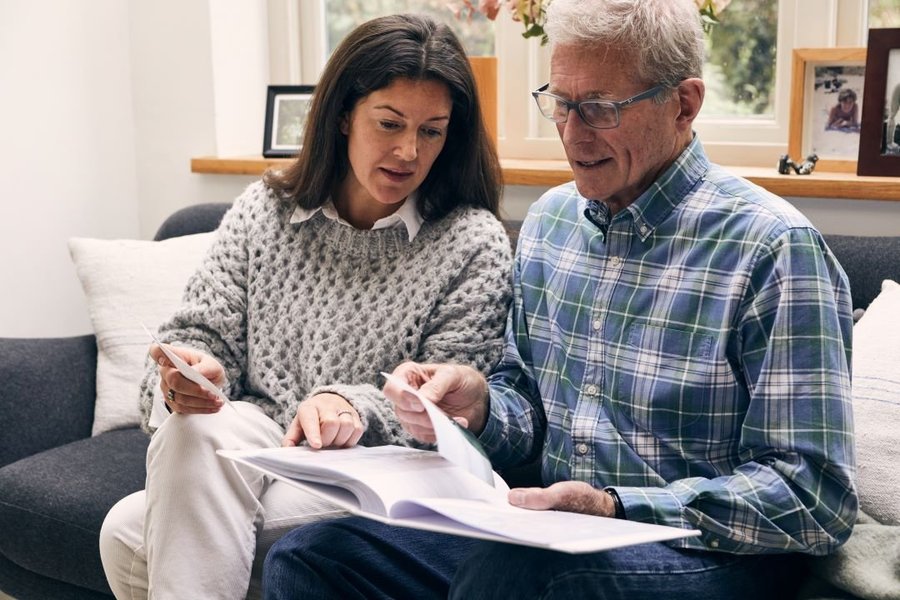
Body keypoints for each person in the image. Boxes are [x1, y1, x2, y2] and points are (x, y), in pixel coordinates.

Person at [262, 1, 857, 599]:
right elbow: (529, 411)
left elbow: (815, 495)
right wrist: (481, 408)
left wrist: (614, 507)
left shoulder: (773, 249)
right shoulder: (551, 225)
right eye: (561, 104)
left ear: (684, 104)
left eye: (599, 109)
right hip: (543, 537)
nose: (572, 134)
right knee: (315, 556)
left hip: (704, 556)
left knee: (522, 572)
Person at [98, 13, 513, 600]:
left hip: (384, 470)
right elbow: (198, 336)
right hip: (264, 447)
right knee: (189, 436)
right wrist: (187, 377)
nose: (407, 151)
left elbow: (448, 415)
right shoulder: (264, 210)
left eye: (432, 131)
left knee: (129, 532)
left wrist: (352, 403)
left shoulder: (471, 241)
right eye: (390, 123)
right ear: (343, 114)